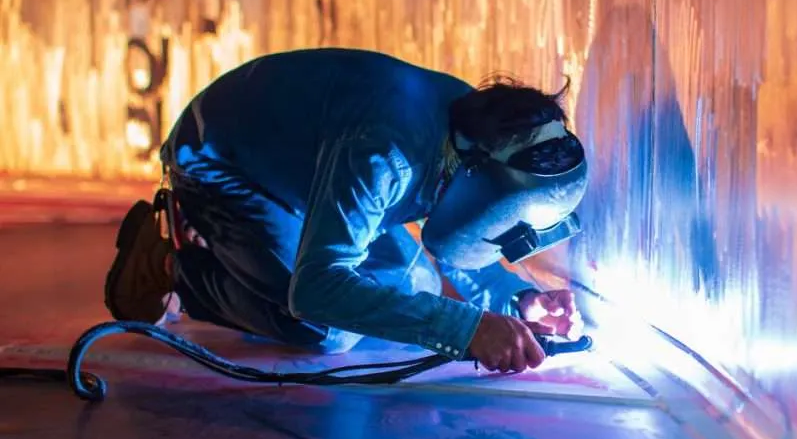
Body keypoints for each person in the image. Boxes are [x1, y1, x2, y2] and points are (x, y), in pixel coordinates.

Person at [104, 48, 588, 373]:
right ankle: (179, 269)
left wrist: (517, 299)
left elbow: (451, 222)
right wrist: (466, 328)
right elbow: (319, 287)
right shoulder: (387, 153)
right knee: (325, 325)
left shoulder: (477, 130)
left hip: (310, 173)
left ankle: (233, 250)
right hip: (217, 165)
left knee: (411, 283)